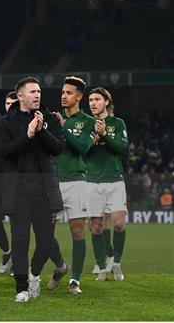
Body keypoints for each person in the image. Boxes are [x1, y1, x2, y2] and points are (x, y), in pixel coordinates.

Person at [0, 76, 64, 303]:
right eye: (33, 92)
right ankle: (22, 288)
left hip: (45, 191)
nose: (37, 95)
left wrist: (42, 130)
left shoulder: (50, 119)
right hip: (18, 192)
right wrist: (27, 135)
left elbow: (58, 148)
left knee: (46, 242)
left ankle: (34, 275)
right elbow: (5, 152)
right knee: (20, 241)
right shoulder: (6, 123)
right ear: (21, 96)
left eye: (39, 92)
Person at [46, 77, 96, 294]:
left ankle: (75, 280)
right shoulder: (52, 119)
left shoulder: (88, 122)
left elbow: (83, 147)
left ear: (79, 96)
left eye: (69, 93)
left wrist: (64, 128)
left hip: (77, 181)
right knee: (45, 234)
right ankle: (60, 266)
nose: (64, 96)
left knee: (78, 231)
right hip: (52, 182)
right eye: (62, 92)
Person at [87, 87, 128, 282]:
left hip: (114, 180)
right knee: (96, 227)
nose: (93, 103)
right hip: (92, 182)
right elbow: (79, 152)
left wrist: (104, 136)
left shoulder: (117, 123)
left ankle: (117, 263)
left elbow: (121, 148)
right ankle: (103, 267)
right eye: (90, 100)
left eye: (97, 99)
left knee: (118, 224)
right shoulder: (87, 124)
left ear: (106, 102)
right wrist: (89, 142)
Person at [0, 92, 18, 274]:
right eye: (7, 103)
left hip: (17, 182)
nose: (10, 106)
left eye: (13, 103)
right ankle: (7, 252)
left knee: (18, 224)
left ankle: (17, 260)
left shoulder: (25, 126)